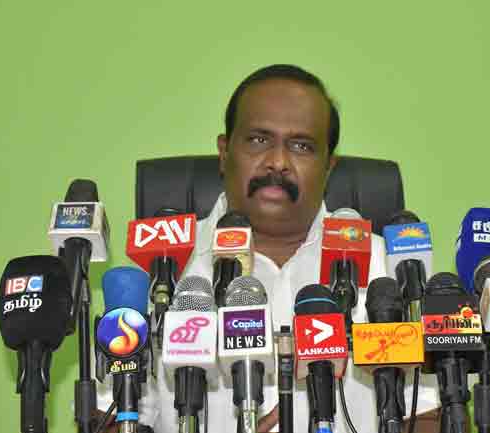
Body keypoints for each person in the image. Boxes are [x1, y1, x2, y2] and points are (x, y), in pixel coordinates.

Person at [100, 64, 442, 432]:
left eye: (302, 146)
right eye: (258, 140)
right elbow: (110, 419)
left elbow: (431, 416)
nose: (278, 162)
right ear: (224, 152)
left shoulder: (392, 271)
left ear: (329, 167)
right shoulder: (162, 272)